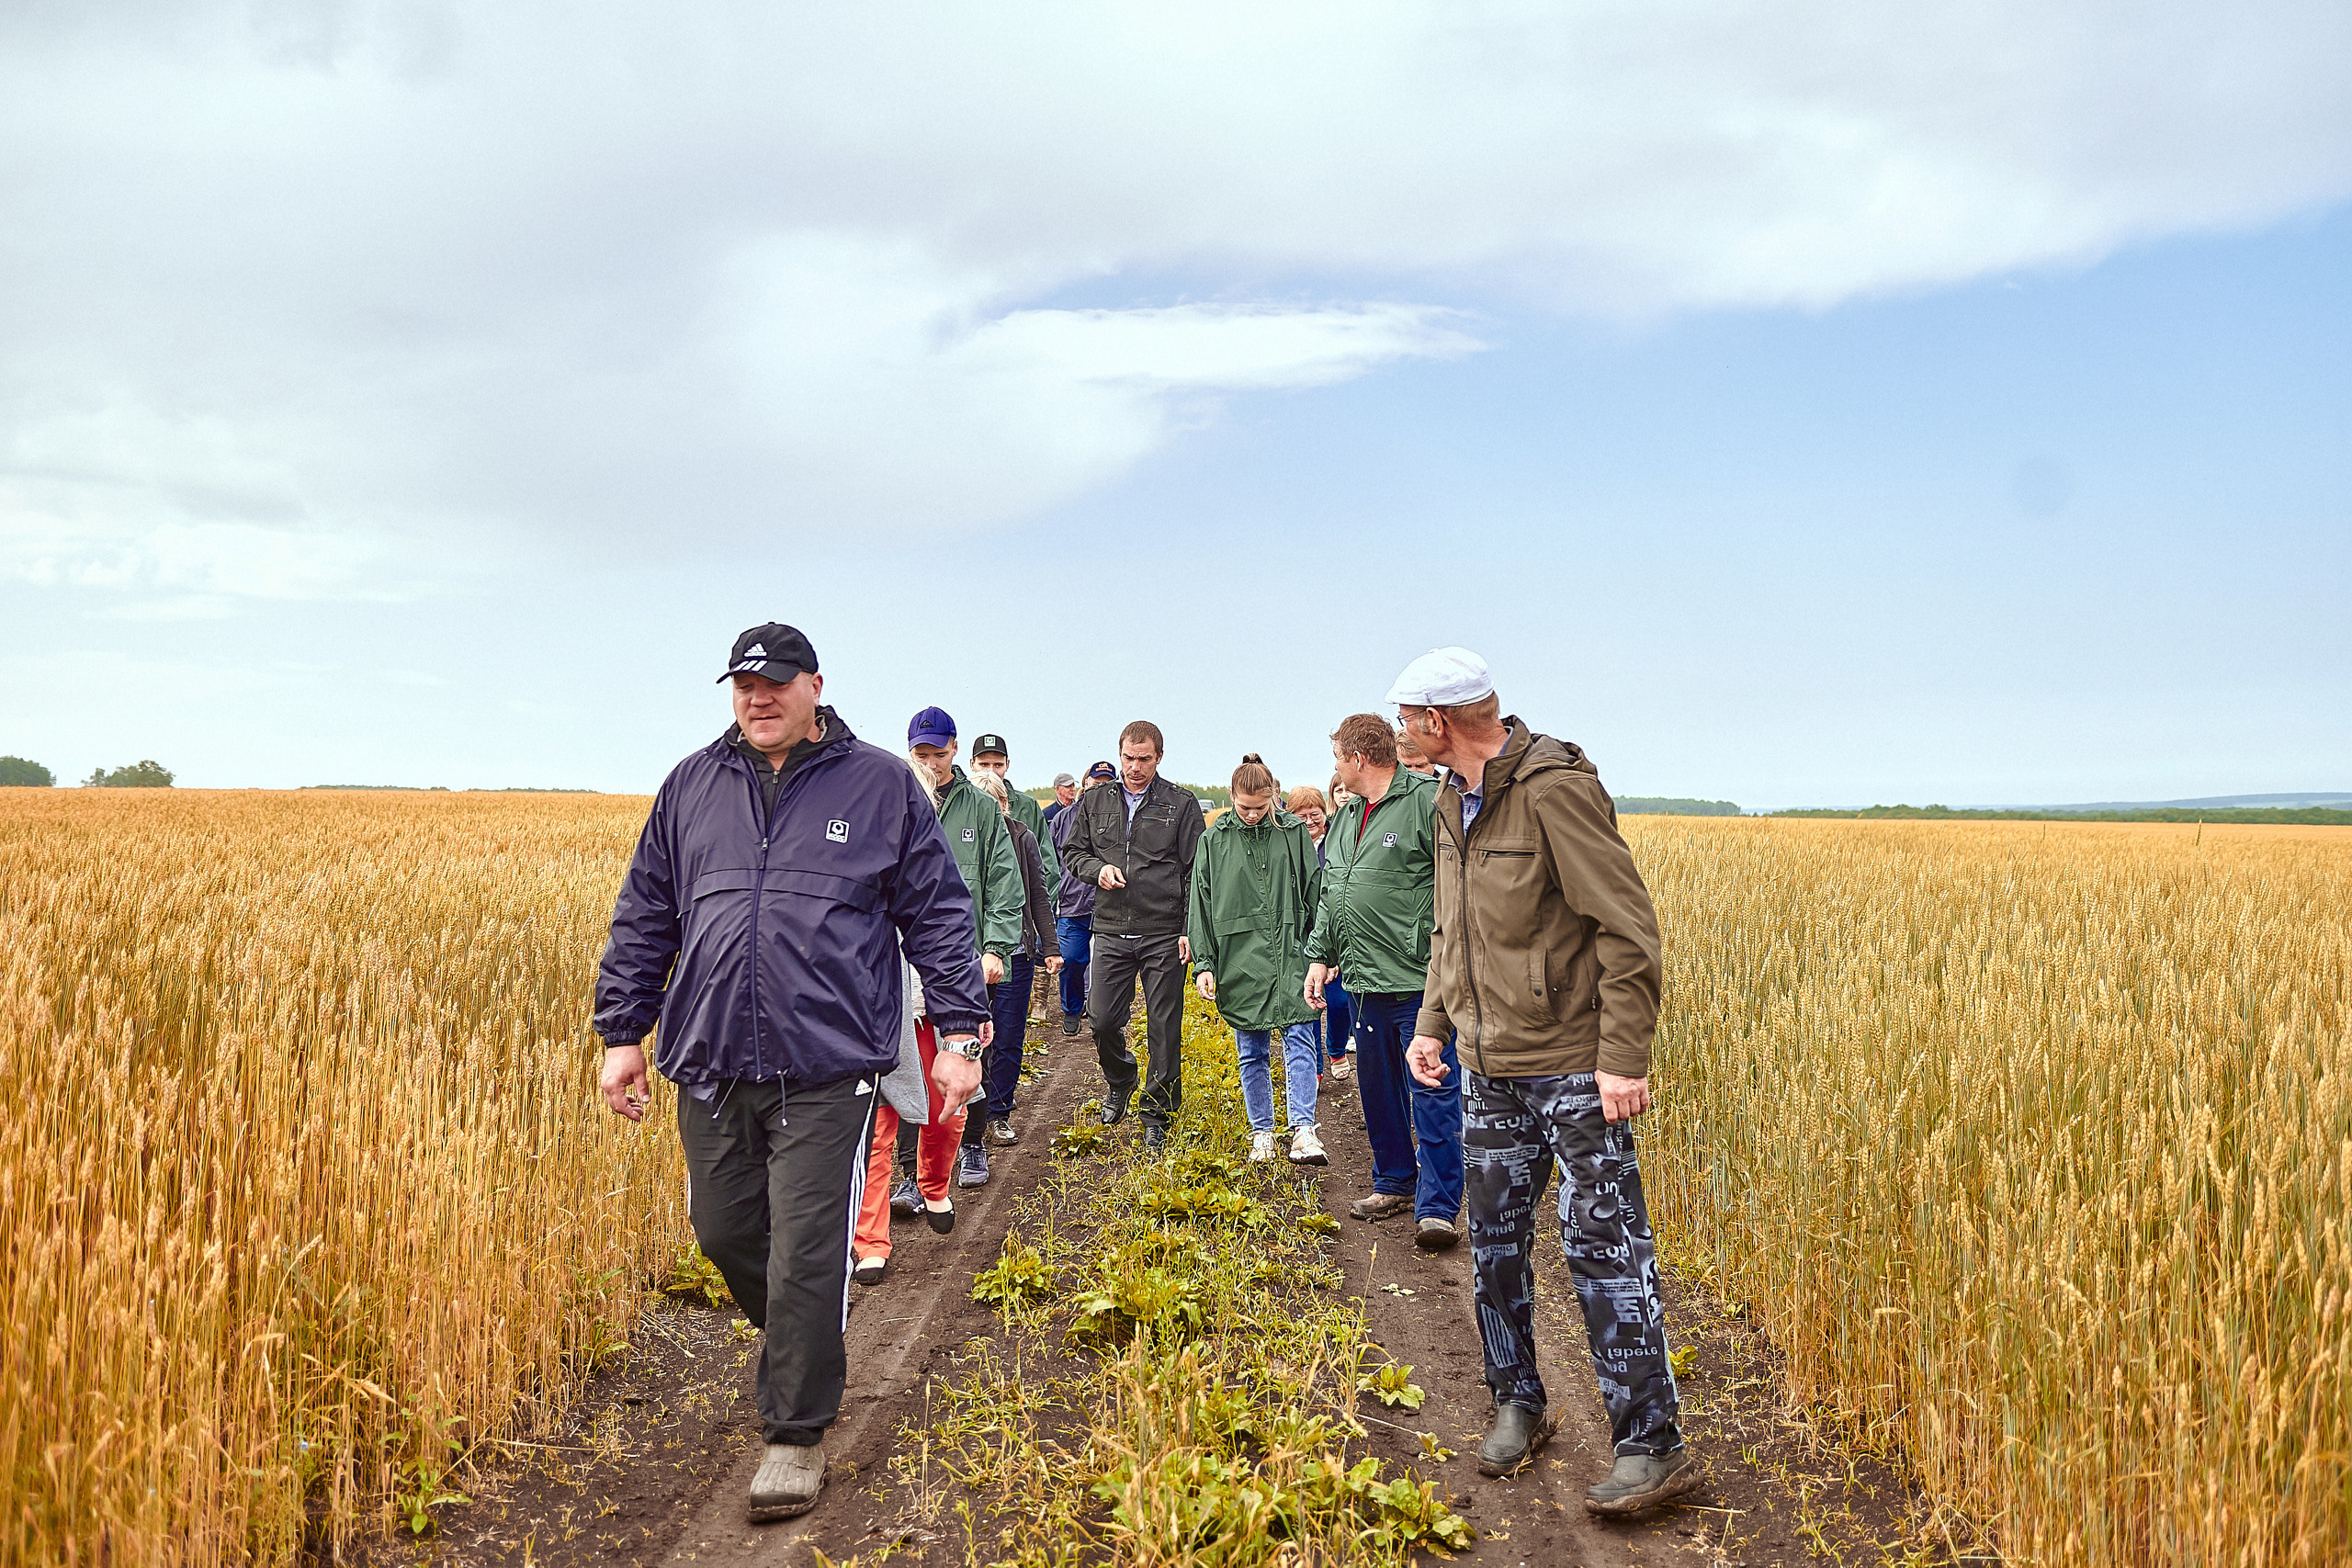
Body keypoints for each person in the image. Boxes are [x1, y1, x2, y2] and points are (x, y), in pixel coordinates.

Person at [594, 623, 989, 1523]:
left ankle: (795, 1435)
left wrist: (962, 1035)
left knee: (809, 1246)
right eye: (742, 685)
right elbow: (645, 914)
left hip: (828, 1063)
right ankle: (801, 1333)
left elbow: (937, 912)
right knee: (723, 1229)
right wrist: (624, 1033)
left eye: (774, 683)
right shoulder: (694, 785)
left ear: (816, 687)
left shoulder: (881, 784)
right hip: (712, 1054)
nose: (756, 699)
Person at [1392, 647, 1695, 1515]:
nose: (1406, 731)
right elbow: (1452, 931)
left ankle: (1650, 1443)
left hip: (1571, 1066)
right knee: (1492, 1242)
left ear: (1439, 722)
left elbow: (1628, 929)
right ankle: (1518, 1399)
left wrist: (1623, 1057)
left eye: (1410, 718)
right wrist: (1431, 1024)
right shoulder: (1453, 797)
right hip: (1491, 1070)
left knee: (1604, 1250)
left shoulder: (1554, 788)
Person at [1302, 713, 1458, 1249]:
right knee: (1378, 1092)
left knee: (1430, 1088)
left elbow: (1453, 886)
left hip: (1419, 980)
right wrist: (1321, 956)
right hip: (1365, 980)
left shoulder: (1426, 801)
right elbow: (1333, 894)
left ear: (1358, 758)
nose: (1337, 767)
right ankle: (1394, 1180)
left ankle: (1438, 1206)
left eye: (1339, 756)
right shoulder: (1348, 818)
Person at [1057, 720, 1204, 1153]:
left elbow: (1197, 871)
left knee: (1164, 1026)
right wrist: (1096, 871)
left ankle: (1156, 1115)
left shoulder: (1181, 804)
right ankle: (1121, 1079)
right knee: (1101, 1019)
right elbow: (1073, 853)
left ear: (1159, 757)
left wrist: (1187, 930)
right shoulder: (1095, 801)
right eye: (1128, 757)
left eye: (1144, 758)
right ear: (1119, 754)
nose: (1135, 767)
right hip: (1111, 930)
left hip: (1163, 932)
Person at [905, 708, 1024, 1191]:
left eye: (939, 753)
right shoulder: (900, 801)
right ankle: (915, 1176)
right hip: (908, 962)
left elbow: (1004, 882)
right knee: (910, 1067)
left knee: (971, 1050)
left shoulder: (979, 808)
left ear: (955, 748)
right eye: (922, 754)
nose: (931, 763)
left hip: (966, 959)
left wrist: (995, 948)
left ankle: (974, 1143)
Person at [1191, 756, 1327, 1165]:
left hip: (1292, 953)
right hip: (1239, 960)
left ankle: (1304, 1131)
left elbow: (1315, 891)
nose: (1252, 815)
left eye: (1261, 807)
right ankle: (1262, 1133)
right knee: (1251, 1049)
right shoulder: (1213, 841)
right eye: (1244, 807)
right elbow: (1200, 904)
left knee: (1301, 1039)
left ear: (1274, 798)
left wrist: (1321, 951)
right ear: (1231, 797)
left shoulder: (1293, 834)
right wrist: (1204, 963)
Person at [853, 949, 964, 1285]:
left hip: (930, 1011)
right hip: (874, 1018)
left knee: (945, 1113)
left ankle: (932, 1185)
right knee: (874, 1129)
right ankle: (870, 1240)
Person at [968, 768, 1060, 1151]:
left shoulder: (1023, 838)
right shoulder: (963, 841)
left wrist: (1051, 946)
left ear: (1005, 804)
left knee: (1007, 1035)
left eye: (999, 804)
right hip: (970, 955)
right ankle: (969, 1120)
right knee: (971, 1039)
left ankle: (999, 1113)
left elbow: (1037, 895)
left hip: (1017, 953)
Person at [1286, 784, 1354, 1082]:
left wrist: (1333, 951)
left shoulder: (1337, 841)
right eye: (1301, 816)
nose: (1309, 821)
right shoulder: (1288, 846)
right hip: (1301, 940)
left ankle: (1337, 1049)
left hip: (1336, 937)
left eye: (1314, 814)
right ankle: (1314, 1068)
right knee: (1309, 1004)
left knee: (1339, 1002)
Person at [1051, 761, 1116, 1036]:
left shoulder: (1121, 818)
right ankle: (1072, 1008)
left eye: (1106, 783)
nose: (1099, 787)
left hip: (1109, 906)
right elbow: (1050, 861)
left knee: (1108, 964)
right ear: (1085, 784)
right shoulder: (1063, 819)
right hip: (1072, 903)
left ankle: (1100, 1010)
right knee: (1073, 958)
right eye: (1095, 782)